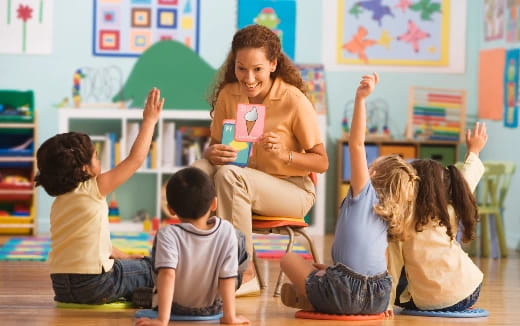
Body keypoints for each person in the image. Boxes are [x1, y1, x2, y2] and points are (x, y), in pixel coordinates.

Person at [193, 24, 328, 296]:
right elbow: (215, 146)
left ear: (273, 65)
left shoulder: (293, 101)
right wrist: (211, 153)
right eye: (241, 68)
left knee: (229, 176)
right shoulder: (228, 95)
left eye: (257, 69)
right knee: (195, 174)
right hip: (239, 185)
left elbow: (321, 162)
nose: (249, 77)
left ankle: (245, 273)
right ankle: (191, 264)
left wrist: (286, 155)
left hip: (292, 190)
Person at [279, 73, 417, 316]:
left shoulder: (365, 193)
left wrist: (360, 100)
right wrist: (384, 304)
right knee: (321, 269)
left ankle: (312, 300)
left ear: (373, 174)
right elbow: (379, 262)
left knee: (288, 259)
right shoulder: (390, 211)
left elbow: (356, 144)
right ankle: (317, 291)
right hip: (379, 295)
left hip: (344, 290)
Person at [35, 88, 164, 304]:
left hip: (61, 287)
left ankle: (137, 292)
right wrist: (150, 121)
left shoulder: (59, 203)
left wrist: (123, 256)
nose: (99, 160)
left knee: (131, 265)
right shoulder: (94, 188)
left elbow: (90, 243)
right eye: (96, 156)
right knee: (153, 267)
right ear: (84, 168)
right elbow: (135, 160)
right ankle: (159, 295)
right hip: (96, 284)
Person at [388, 122, 488, 312]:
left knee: (400, 279)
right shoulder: (449, 208)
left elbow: (392, 268)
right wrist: (473, 150)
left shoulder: (399, 222)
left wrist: (387, 304)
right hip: (470, 290)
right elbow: (468, 178)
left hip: (431, 302)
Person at [135, 167, 250, 326]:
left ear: (170, 209)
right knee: (239, 238)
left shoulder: (167, 234)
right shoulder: (227, 231)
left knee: (160, 264)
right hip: (212, 308)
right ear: (214, 204)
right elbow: (228, 277)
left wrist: (162, 320)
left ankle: (152, 296)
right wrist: (230, 318)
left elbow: (167, 275)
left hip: (175, 309)